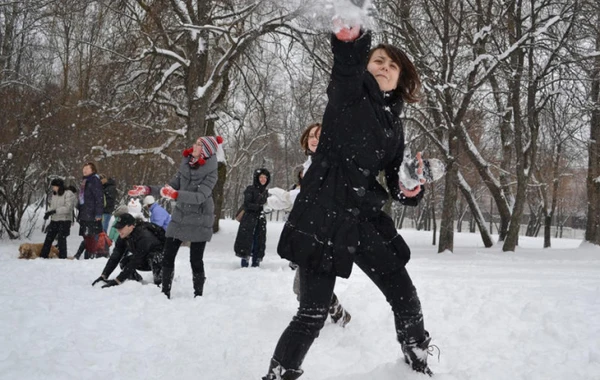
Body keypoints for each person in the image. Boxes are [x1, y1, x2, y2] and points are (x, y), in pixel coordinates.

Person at [261, 21, 432, 380]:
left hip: (364, 219)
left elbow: (394, 177)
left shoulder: (393, 124)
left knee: (405, 295)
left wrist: (410, 186)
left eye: (392, 66)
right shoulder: (349, 92)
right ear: (367, 66)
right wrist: (350, 37)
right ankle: (279, 375)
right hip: (323, 217)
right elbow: (346, 65)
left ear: (400, 80)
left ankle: (417, 361)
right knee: (312, 312)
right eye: (379, 61)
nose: (384, 68)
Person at [268, 123, 352, 327]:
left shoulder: (329, 162)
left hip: (323, 232)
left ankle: (311, 318)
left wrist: (291, 197)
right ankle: (329, 311)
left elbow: (321, 195)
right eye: (311, 135)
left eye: (319, 136)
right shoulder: (309, 164)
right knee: (305, 283)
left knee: (305, 284)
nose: (314, 139)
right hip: (308, 230)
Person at [127, 136, 223, 298]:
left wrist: (176, 195)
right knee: (168, 254)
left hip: (200, 218)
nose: (195, 145)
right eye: (196, 142)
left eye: (199, 144)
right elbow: (169, 187)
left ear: (206, 151)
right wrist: (148, 190)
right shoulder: (186, 166)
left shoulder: (212, 173)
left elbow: (200, 196)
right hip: (180, 216)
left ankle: (198, 295)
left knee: (196, 260)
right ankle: (165, 292)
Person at [92, 213, 164, 288]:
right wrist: (104, 275)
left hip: (162, 261)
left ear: (131, 226)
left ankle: (160, 284)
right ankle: (136, 282)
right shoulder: (124, 235)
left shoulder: (144, 235)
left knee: (155, 257)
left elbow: (136, 260)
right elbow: (116, 255)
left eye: (121, 228)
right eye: (117, 228)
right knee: (124, 262)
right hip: (144, 258)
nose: (118, 230)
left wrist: (117, 280)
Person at [233, 168, 270, 268]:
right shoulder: (250, 189)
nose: (263, 179)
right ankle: (245, 262)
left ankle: (256, 262)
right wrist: (260, 207)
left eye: (265, 178)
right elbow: (247, 204)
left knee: (259, 240)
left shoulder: (266, 192)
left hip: (261, 219)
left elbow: (268, 205)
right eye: (261, 177)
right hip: (249, 219)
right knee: (248, 240)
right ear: (257, 178)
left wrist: (268, 208)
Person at [40, 178, 77, 259]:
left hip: (65, 220)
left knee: (61, 239)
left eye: (54, 186)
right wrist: (48, 213)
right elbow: (53, 207)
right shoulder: (55, 194)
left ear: (59, 186)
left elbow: (68, 208)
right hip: (54, 220)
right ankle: (43, 256)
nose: (53, 188)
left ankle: (62, 257)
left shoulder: (68, 194)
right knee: (48, 238)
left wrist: (54, 211)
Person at [76, 162, 104, 259]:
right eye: (84, 168)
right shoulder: (85, 180)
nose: (85, 170)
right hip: (85, 212)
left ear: (93, 170)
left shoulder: (94, 180)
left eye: (87, 168)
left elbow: (99, 198)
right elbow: (83, 197)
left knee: (90, 236)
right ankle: (88, 254)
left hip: (91, 213)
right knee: (86, 235)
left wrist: (98, 214)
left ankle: (90, 255)